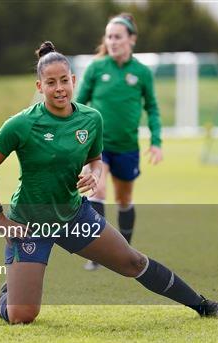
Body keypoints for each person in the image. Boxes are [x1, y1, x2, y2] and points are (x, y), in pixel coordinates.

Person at [0, 41, 218, 325]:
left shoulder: (90, 119)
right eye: (51, 83)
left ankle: (203, 305)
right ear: (40, 86)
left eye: (64, 80)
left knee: (133, 262)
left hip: (75, 216)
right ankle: (8, 295)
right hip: (30, 222)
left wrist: (94, 173)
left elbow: (95, 160)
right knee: (22, 316)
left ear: (73, 81)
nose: (59, 88)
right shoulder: (21, 124)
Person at [76, 13, 161, 271]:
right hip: (99, 147)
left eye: (118, 37)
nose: (112, 41)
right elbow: (78, 106)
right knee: (97, 191)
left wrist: (156, 141)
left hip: (128, 147)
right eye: (109, 37)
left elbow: (153, 109)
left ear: (131, 39)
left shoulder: (142, 72)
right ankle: (98, 253)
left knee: (124, 199)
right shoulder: (96, 68)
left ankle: (123, 252)